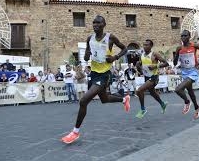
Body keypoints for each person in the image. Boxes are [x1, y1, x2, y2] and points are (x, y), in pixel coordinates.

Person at [61, 15, 129, 144]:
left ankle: (75, 132)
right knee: (104, 99)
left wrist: (115, 57)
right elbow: (87, 57)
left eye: (98, 23)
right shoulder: (89, 39)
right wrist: (87, 55)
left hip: (105, 74)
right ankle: (124, 99)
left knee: (83, 100)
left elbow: (125, 49)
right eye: (93, 23)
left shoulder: (111, 38)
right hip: (94, 73)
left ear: (104, 24)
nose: (95, 25)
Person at [173, 30, 199, 119]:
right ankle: (197, 108)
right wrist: (176, 57)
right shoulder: (179, 48)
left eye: (185, 36)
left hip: (193, 71)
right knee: (190, 91)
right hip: (184, 71)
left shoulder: (194, 45)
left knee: (178, 89)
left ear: (189, 37)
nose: (183, 37)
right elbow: (175, 63)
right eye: (182, 36)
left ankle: (187, 102)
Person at [135, 39, 169, 119]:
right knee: (152, 93)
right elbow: (140, 70)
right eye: (144, 45)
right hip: (146, 77)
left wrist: (156, 66)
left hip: (154, 77)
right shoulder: (142, 55)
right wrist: (138, 66)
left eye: (147, 45)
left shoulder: (154, 54)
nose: (145, 46)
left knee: (139, 90)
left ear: (151, 46)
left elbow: (166, 63)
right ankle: (163, 104)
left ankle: (143, 109)